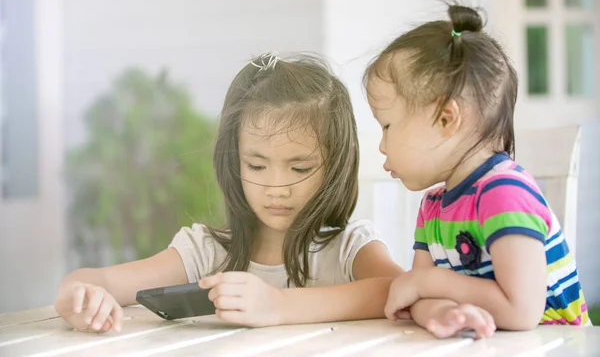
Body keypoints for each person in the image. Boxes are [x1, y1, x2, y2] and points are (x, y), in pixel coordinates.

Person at [54, 53, 404, 333]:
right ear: (233, 160)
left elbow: (397, 289)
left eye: (300, 169)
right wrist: (81, 297)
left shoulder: (348, 249)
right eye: (256, 166)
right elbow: (91, 280)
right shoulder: (206, 252)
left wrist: (278, 306)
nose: (276, 187)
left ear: (336, 165)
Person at [363, 3, 591, 339]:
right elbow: (419, 297)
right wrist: (443, 311)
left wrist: (429, 283)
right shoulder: (433, 208)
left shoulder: (504, 192)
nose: (381, 146)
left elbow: (522, 309)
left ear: (446, 118)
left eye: (387, 126)